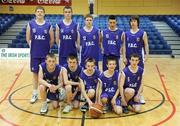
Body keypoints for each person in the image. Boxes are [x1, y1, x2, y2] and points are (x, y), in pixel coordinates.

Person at [26, 6, 54, 104]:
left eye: (41, 12)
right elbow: (28, 38)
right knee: (35, 74)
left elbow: (52, 40)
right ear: (35, 13)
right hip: (34, 54)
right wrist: (34, 48)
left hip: (45, 55)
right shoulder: (30, 24)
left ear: (44, 14)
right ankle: (34, 93)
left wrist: (46, 49)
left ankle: (46, 95)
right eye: (38, 11)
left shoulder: (48, 25)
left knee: (45, 75)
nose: (39, 13)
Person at [123, 15, 149, 104]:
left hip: (139, 60)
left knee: (140, 78)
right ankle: (127, 94)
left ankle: (140, 94)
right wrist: (123, 57)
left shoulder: (142, 33)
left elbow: (146, 45)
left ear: (137, 22)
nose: (133, 23)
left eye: (134, 21)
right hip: (129, 59)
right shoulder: (126, 33)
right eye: (131, 21)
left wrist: (147, 54)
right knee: (127, 77)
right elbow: (124, 46)